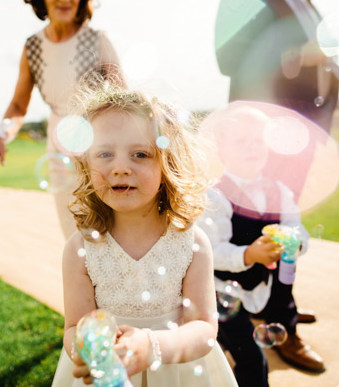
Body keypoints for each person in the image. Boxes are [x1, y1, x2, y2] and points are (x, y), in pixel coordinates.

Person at [51, 83, 238, 386]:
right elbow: (74, 328)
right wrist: (89, 353)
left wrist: (151, 348)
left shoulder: (192, 244)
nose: (121, 167)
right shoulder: (79, 249)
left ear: (168, 164)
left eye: (140, 154)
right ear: (86, 164)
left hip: (178, 371)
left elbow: (203, 329)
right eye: (105, 153)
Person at [0, 0, 122, 240]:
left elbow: (125, 103)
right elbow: (19, 104)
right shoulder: (33, 47)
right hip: (59, 151)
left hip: (102, 151)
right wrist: (2, 135)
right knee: (74, 237)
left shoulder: (98, 40)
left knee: (110, 236)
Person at [197, 106, 324, 385]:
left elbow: (297, 228)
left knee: (275, 289)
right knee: (253, 360)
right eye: (241, 141)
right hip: (221, 292)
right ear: (222, 151)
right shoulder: (215, 196)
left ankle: (243, 335)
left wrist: (294, 242)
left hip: (261, 287)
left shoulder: (280, 191)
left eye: (258, 140)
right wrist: (249, 254)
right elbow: (210, 250)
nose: (252, 148)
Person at [214, 0, 339, 133]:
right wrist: (297, 55)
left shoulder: (305, 1)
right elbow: (228, 59)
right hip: (264, 124)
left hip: (313, 123)